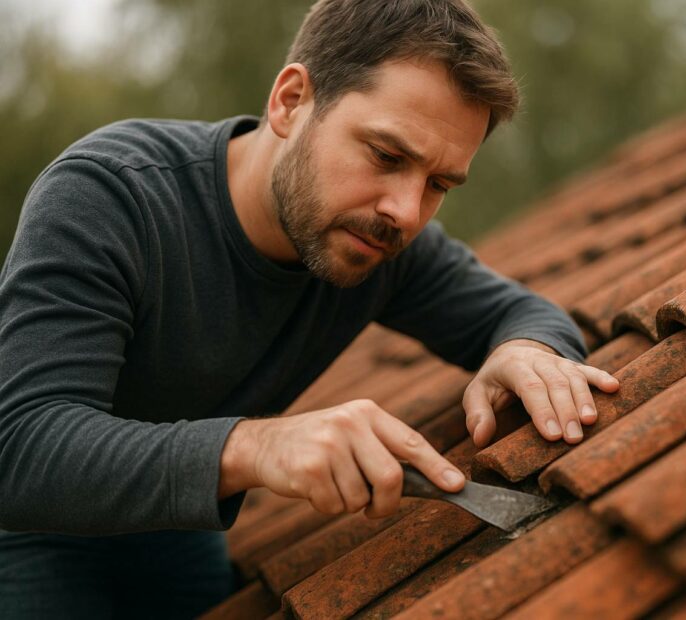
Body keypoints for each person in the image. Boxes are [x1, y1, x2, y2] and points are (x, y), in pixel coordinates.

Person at [0, 0, 620, 617]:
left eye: (438, 185)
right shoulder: (108, 197)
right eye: (386, 155)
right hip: (28, 531)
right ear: (291, 101)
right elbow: (22, 449)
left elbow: (518, 314)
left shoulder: (379, 238)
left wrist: (528, 351)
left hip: (176, 526)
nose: (406, 212)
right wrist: (258, 448)